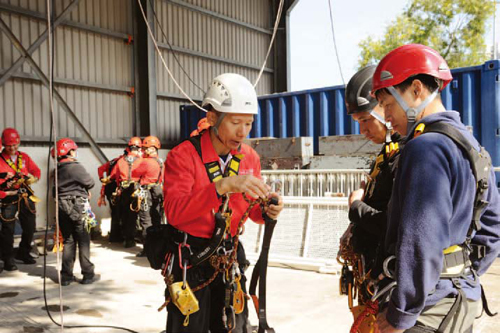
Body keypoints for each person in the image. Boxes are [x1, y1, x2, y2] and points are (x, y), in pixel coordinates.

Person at [371, 44, 500, 333]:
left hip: (427, 313)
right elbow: (493, 229)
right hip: (461, 302)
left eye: (388, 104)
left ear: (416, 89)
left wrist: (401, 314)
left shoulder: (424, 148)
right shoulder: (473, 148)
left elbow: (420, 240)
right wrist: (460, 274)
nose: (386, 116)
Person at [163, 73, 284, 333]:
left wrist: (268, 210)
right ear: (212, 118)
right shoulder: (183, 156)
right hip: (192, 262)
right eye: (235, 123)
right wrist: (221, 186)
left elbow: (253, 210)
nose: (242, 132)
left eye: (249, 124)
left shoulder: (248, 157)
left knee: (235, 327)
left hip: (229, 259)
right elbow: (174, 213)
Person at [338, 65, 404, 314]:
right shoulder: (386, 155)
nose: (363, 131)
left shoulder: (404, 155)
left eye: (366, 120)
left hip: (389, 283)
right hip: (376, 278)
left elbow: (391, 225)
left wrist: (356, 208)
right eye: (358, 122)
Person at [52, 138, 96, 286]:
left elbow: (55, 191)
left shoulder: (57, 170)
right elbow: (90, 182)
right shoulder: (76, 167)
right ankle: (87, 274)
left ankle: (66, 276)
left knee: (69, 240)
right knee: (83, 240)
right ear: (70, 151)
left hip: (62, 207)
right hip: (77, 206)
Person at [0, 128, 41, 268]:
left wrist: (33, 178)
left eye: (15, 145)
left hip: (25, 194)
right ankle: (7, 258)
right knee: (8, 229)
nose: (12, 148)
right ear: (4, 144)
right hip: (8, 197)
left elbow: (36, 171)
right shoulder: (0, 160)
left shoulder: (24, 157)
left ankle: (24, 252)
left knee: (30, 227)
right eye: (9, 145)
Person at [110, 137, 144, 248]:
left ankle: (127, 238)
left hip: (124, 190)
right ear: (139, 148)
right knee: (137, 215)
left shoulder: (121, 161)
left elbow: (115, 176)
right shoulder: (142, 161)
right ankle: (136, 238)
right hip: (136, 189)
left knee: (125, 215)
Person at [136, 135, 164, 257]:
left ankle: (147, 249)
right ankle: (159, 247)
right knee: (157, 220)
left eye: (146, 148)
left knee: (146, 221)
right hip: (158, 191)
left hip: (146, 193)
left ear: (152, 148)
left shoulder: (145, 162)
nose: (144, 151)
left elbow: (134, 172)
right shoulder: (161, 162)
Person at [0, 137, 21, 274]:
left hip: (8, 199)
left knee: (8, 229)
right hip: (5, 196)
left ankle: (8, 259)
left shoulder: (21, 157)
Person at [97, 152, 124, 243]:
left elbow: (100, 169)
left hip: (109, 188)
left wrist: (101, 178)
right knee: (120, 213)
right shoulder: (123, 162)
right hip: (116, 188)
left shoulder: (113, 161)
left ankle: (114, 235)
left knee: (114, 212)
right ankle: (118, 236)